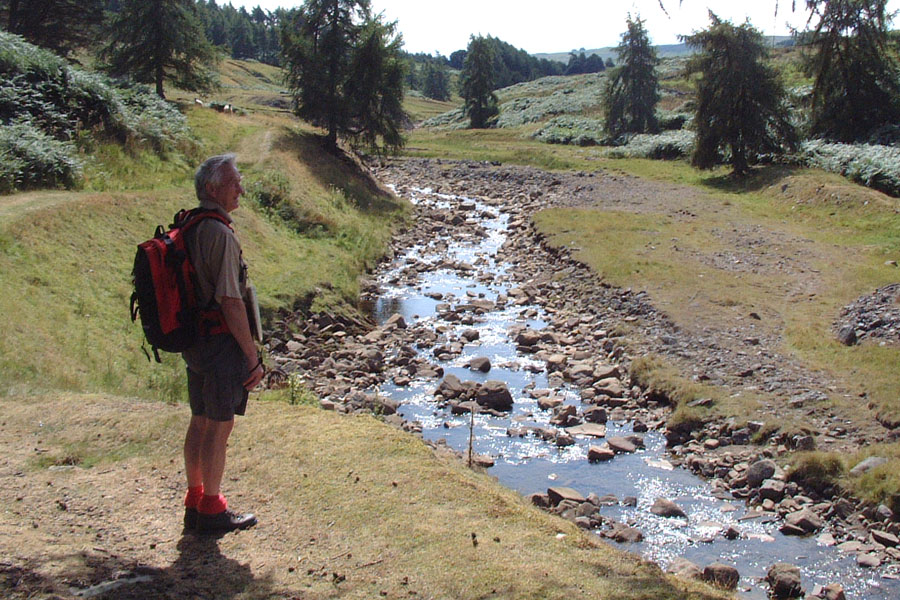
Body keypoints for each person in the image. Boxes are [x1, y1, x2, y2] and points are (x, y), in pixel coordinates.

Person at [181, 153, 264, 534]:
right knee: (220, 424)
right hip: (219, 345)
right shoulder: (221, 234)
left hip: (194, 342)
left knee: (200, 420)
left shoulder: (191, 225)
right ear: (213, 189)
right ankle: (212, 510)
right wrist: (251, 357)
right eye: (234, 183)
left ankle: (195, 498)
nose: (241, 189)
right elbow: (231, 302)